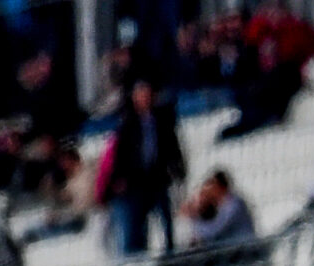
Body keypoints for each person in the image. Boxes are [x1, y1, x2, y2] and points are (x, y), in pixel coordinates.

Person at [98, 80, 184, 255]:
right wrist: (119, 179)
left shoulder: (162, 120)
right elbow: (120, 155)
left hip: (158, 178)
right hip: (135, 182)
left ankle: (170, 253)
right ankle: (139, 254)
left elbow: (172, 147)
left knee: (166, 219)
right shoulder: (127, 125)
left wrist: (177, 169)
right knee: (136, 225)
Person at [186, 170, 258, 248]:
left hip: (244, 249)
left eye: (212, 188)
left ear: (219, 187)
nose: (209, 193)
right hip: (233, 248)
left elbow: (213, 231)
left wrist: (193, 216)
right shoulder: (221, 206)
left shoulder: (234, 205)